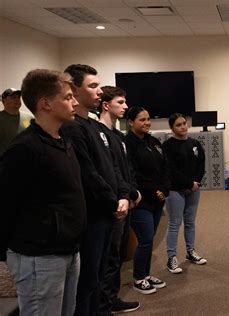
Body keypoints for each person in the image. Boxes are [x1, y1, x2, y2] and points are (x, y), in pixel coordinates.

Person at [0, 69, 85, 315]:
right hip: (40, 256)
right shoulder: (25, 148)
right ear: (45, 103)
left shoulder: (62, 140)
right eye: (68, 97)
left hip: (68, 249)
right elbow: (5, 203)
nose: (75, 102)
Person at [62, 64, 130, 316]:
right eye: (93, 86)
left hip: (108, 212)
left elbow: (112, 165)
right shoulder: (72, 128)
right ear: (74, 91)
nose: (100, 91)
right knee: (88, 281)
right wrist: (114, 202)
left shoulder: (93, 126)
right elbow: (89, 174)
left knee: (100, 275)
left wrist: (123, 194)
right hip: (93, 216)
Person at [97, 86, 141, 313]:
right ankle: (105, 303)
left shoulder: (118, 136)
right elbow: (107, 173)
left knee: (118, 256)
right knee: (110, 258)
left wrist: (132, 191)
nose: (125, 107)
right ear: (106, 105)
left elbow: (125, 168)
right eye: (120, 102)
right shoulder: (98, 134)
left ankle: (111, 298)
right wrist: (122, 196)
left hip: (126, 199)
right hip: (113, 204)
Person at [125, 107, 170, 293]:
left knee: (149, 239)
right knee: (144, 239)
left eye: (148, 119)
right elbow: (133, 173)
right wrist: (154, 191)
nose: (147, 123)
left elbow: (165, 167)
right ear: (130, 122)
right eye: (142, 120)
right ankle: (138, 278)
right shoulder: (126, 144)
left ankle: (146, 274)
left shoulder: (153, 142)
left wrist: (164, 189)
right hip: (141, 201)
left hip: (158, 200)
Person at [162, 113, 207, 274]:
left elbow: (201, 164)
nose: (183, 127)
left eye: (184, 123)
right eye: (178, 125)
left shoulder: (195, 143)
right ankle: (171, 258)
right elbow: (171, 170)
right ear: (172, 128)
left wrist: (196, 183)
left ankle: (191, 252)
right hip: (175, 190)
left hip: (194, 189)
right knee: (175, 223)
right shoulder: (167, 146)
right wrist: (188, 183)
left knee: (190, 222)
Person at [0, 88, 34, 155]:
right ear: (3, 101)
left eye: (18, 97)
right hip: (5, 162)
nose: (17, 100)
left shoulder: (30, 118)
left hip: (27, 160)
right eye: (13, 97)